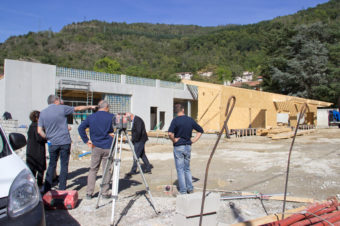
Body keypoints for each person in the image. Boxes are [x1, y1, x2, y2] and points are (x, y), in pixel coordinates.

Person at [38, 94, 96, 193]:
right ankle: (62, 188)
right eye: (59, 100)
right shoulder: (62, 108)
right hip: (64, 141)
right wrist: (90, 106)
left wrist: (48, 138)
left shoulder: (42, 113)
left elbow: (39, 131)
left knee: (52, 164)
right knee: (64, 165)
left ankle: (47, 187)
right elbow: (78, 108)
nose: (61, 102)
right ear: (56, 101)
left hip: (52, 142)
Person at [78, 100, 115, 199]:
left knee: (93, 170)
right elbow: (115, 129)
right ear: (106, 107)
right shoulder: (111, 117)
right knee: (106, 170)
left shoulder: (91, 117)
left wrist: (86, 141)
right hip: (108, 146)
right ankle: (105, 192)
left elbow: (80, 128)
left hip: (96, 146)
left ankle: (89, 193)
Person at [168, 104, 204, 194]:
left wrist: (174, 140)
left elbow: (170, 133)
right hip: (188, 146)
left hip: (178, 147)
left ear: (176, 111)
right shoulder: (190, 120)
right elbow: (200, 130)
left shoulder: (175, 120)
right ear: (183, 109)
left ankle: (183, 190)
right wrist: (193, 140)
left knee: (180, 169)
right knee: (187, 169)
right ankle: (190, 188)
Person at [26, 110, 46, 187]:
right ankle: (39, 185)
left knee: (32, 170)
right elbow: (40, 138)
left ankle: (32, 185)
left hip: (30, 151)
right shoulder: (37, 127)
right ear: (37, 118)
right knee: (40, 169)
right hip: (38, 151)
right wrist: (46, 138)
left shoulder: (31, 126)